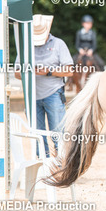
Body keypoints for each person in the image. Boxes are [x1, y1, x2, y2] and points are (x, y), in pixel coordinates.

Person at [15, 14, 73, 156]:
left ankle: (61, 162)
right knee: (37, 135)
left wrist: (49, 71)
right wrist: (29, 72)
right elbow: (16, 73)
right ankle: (43, 162)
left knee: (58, 133)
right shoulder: (25, 45)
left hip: (53, 93)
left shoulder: (58, 44)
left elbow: (69, 70)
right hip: (32, 96)